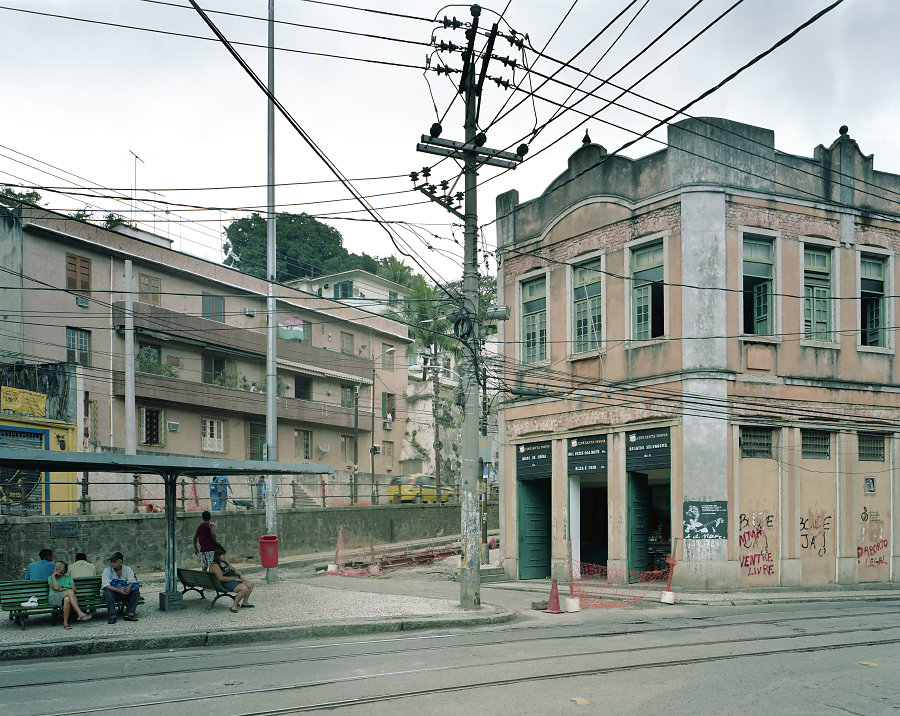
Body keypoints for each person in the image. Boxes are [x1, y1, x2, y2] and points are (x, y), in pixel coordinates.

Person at [209, 546, 254, 613]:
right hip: (224, 583)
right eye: (223, 555)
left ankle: (245, 602)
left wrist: (240, 575)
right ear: (218, 556)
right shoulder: (215, 565)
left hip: (233, 580)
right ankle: (234, 606)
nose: (225, 556)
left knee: (250, 584)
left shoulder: (224, 562)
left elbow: (234, 569)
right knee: (243, 588)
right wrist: (234, 579)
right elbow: (221, 578)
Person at [48, 561, 91, 629]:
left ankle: (65, 623)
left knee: (67, 599)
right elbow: (56, 589)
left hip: (66, 596)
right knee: (69, 591)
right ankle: (79, 612)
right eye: (54, 569)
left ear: (63, 570)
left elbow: (74, 590)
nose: (54, 570)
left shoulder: (68, 578)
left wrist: (62, 590)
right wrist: (53, 576)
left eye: (57, 569)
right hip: (54, 597)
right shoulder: (50, 578)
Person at [101, 552, 140, 624]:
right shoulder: (107, 570)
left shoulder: (127, 569)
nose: (112, 564)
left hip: (124, 592)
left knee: (136, 593)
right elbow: (106, 585)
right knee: (107, 594)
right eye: (111, 562)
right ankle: (112, 616)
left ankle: (129, 614)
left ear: (121, 562)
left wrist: (128, 587)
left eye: (114, 562)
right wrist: (119, 590)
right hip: (114, 593)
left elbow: (131, 581)